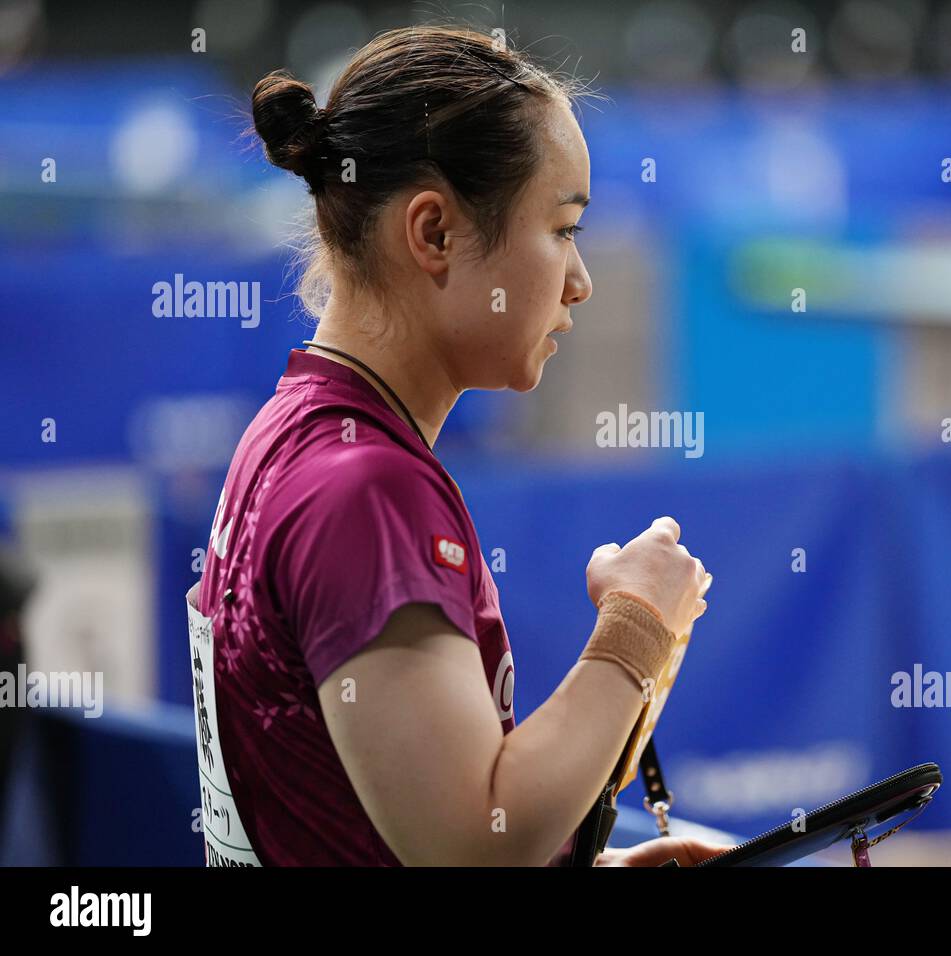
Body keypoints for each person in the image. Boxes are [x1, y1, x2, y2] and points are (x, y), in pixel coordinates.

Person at [187, 25, 723, 866]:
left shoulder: (296, 436)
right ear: (433, 233)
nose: (579, 281)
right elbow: (472, 842)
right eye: (561, 228)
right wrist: (639, 625)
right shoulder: (361, 486)